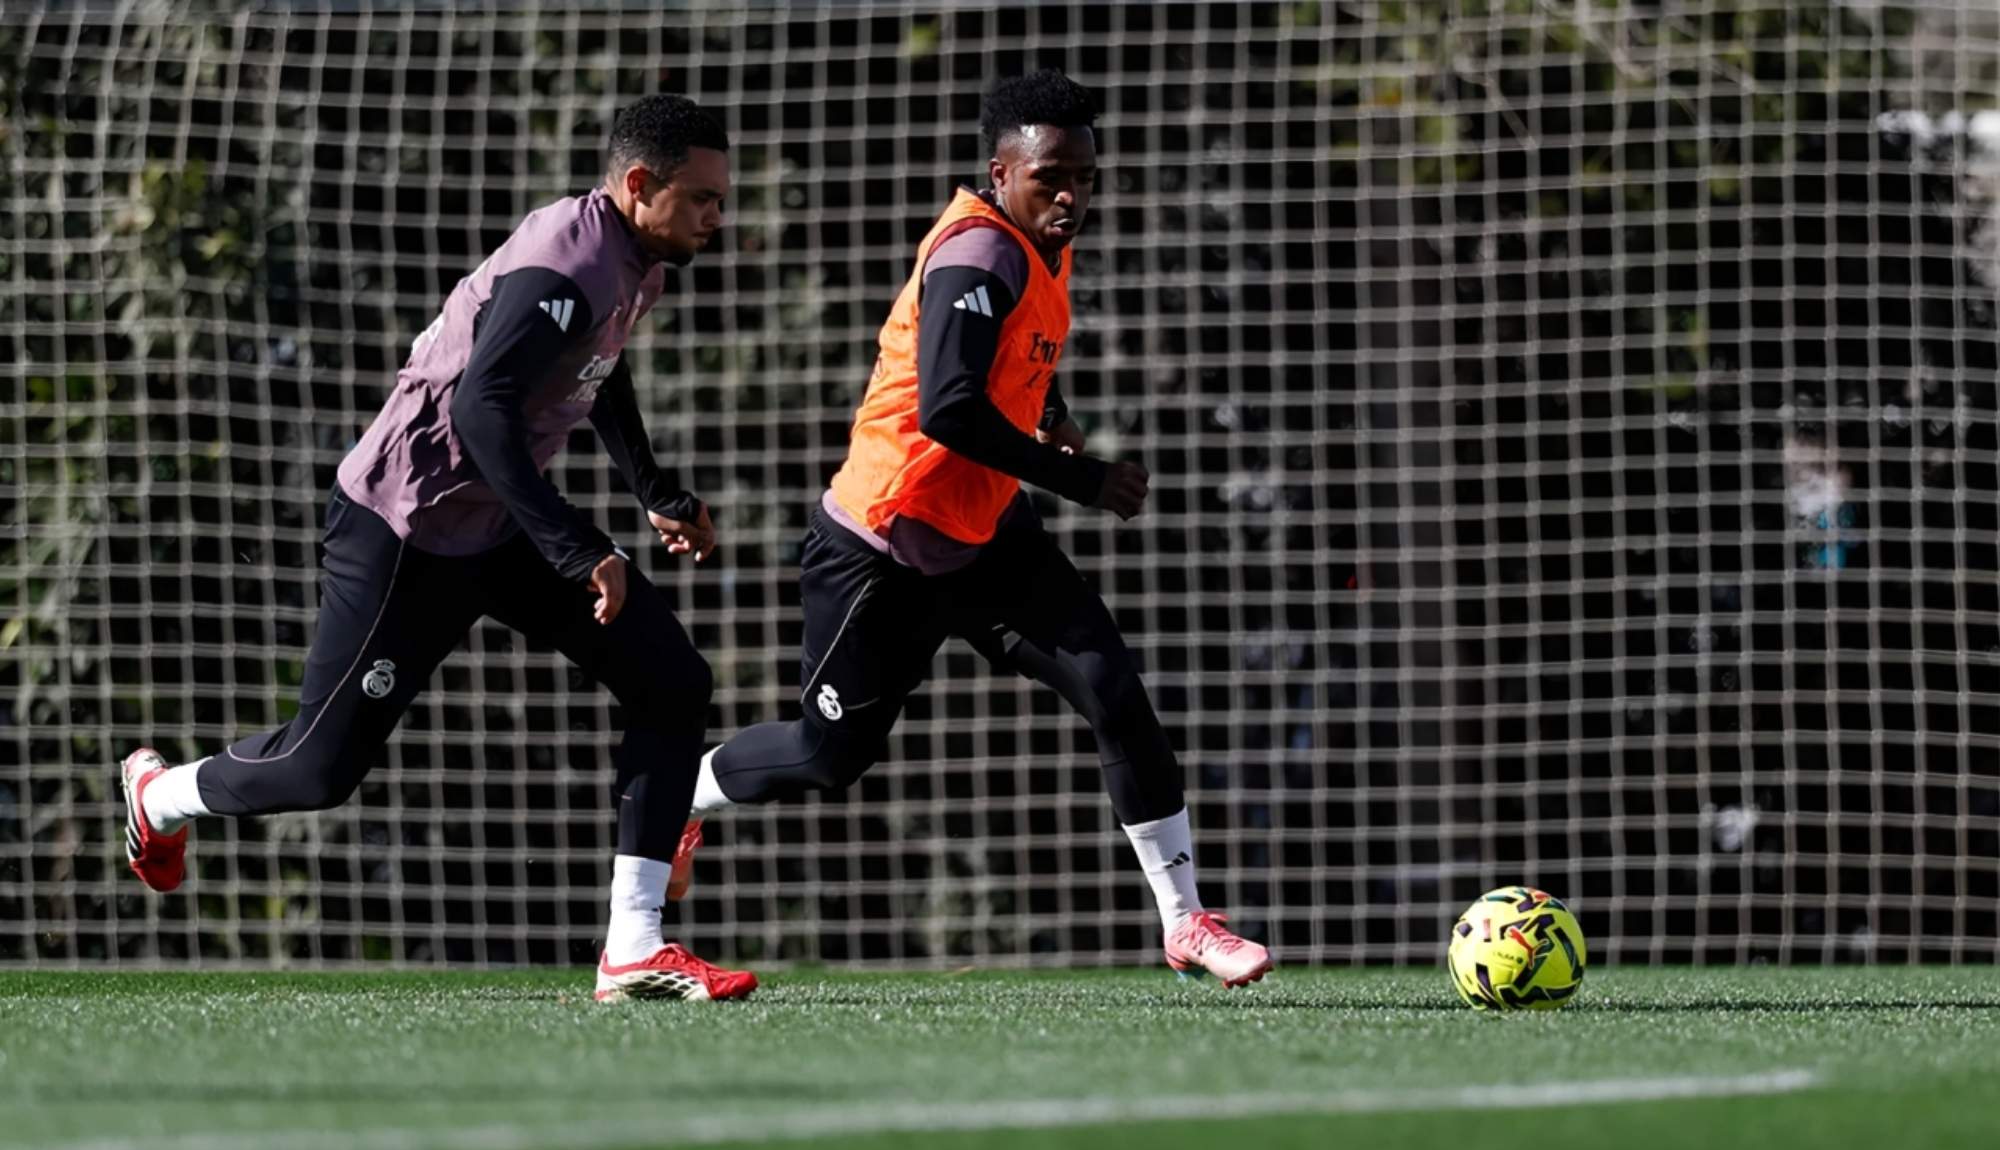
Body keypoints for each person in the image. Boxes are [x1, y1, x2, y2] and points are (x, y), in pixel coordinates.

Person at [119, 95, 756, 1003]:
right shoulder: (565, 269)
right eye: (702, 198)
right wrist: (581, 549)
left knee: (672, 681)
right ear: (639, 184)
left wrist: (653, 489)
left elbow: (597, 368)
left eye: (721, 198)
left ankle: (634, 947)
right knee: (317, 770)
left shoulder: (638, 259)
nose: (717, 217)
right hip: (405, 529)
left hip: (494, 522)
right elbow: (478, 413)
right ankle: (157, 799)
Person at [669, 71, 1271, 987]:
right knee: (827, 759)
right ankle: (685, 795)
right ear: (1001, 173)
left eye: (1086, 176)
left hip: (988, 536)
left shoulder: (1038, 248)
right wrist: (1082, 475)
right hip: (886, 550)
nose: (1071, 194)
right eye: (1051, 177)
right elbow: (950, 410)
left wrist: (1056, 411)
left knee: (1114, 689)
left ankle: (1186, 923)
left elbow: (1016, 355)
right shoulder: (975, 256)